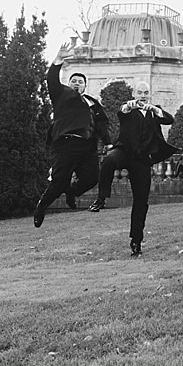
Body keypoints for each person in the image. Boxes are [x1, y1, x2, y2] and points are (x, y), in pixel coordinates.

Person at [88, 81, 178, 256]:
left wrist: (155, 110)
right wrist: (128, 107)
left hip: (142, 159)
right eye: (139, 92)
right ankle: (101, 198)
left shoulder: (154, 111)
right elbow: (122, 111)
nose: (142, 96)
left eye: (145, 92)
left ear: (149, 94)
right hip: (124, 151)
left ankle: (136, 241)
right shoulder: (128, 108)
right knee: (108, 161)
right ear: (134, 94)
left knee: (141, 202)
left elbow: (169, 119)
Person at [34, 42, 110, 229]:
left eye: (80, 82)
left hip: (87, 146)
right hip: (67, 144)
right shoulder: (62, 94)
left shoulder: (93, 102)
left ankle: (72, 192)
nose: (77, 83)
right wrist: (58, 60)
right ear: (69, 84)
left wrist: (108, 142)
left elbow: (102, 124)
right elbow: (51, 78)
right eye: (74, 81)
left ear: (85, 86)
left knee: (92, 178)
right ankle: (41, 207)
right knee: (59, 182)